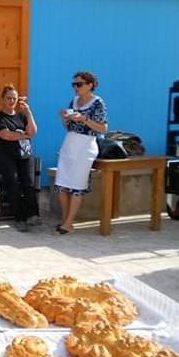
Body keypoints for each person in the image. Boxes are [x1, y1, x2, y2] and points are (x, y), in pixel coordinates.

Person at [55, 71, 108, 235]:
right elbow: (69, 127)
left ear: (90, 85)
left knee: (77, 184)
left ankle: (69, 222)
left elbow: (103, 128)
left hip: (85, 144)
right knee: (62, 184)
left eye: (79, 84)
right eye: (74, 85)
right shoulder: (75, 101)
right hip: (70, 142)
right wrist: (65, 118)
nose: (76, 88)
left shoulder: (97, 102)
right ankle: (66, 221)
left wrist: (84, 119)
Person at [0, 84, 39, 232]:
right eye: (8, 98)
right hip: (6, 156)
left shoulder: (22, 116)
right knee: (12, 183)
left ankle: (33, 214)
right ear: (2, 99)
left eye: (14, 98)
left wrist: (28, 112)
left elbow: (33, 131)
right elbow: (6, 135)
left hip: (24, 155)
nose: (11, 101)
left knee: (28, 183)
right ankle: (20, 218)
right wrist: (25, 135)